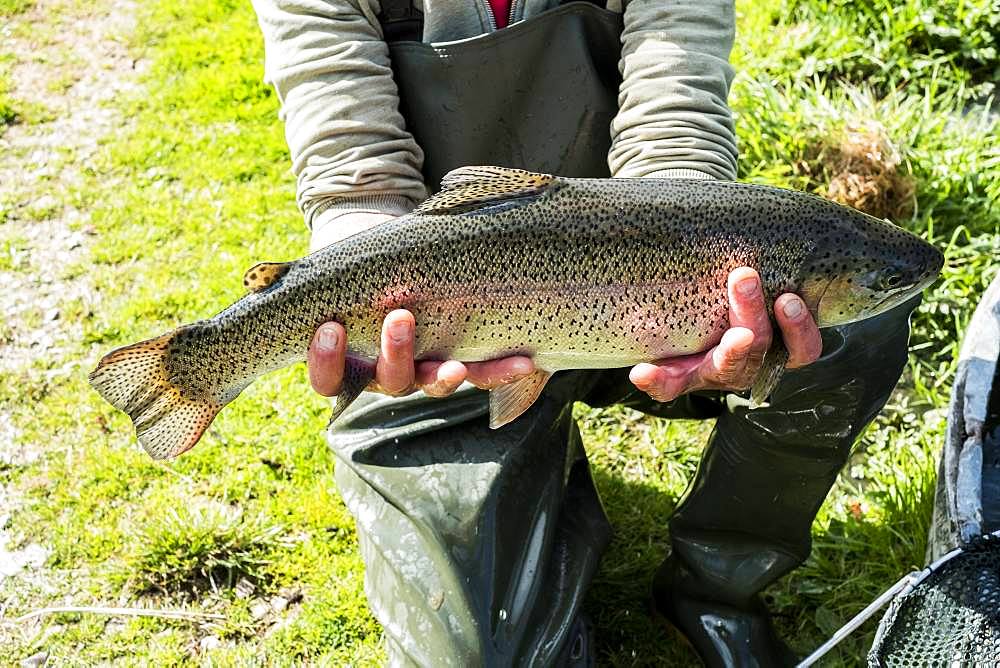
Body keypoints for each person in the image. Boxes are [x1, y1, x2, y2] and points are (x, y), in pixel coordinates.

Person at [251, 0, 919, 664]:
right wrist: (360, 302)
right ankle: (538, 479)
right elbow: (357, 179)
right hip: (442, 341)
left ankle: (715, 586)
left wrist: (690, 281)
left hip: (647, 308)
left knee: (854, 334)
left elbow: (674, 129)